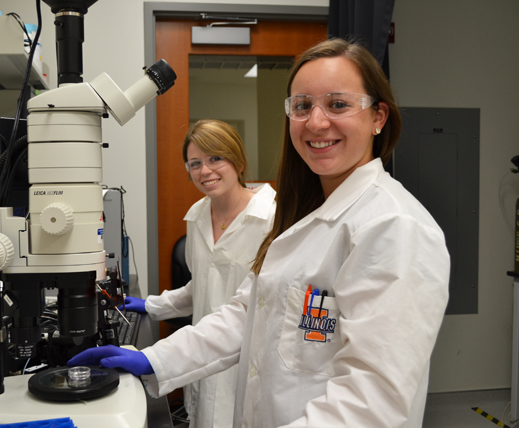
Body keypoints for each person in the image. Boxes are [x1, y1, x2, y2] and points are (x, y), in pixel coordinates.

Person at [69, 39, 450, 428]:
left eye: (338, 104)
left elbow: (370, 405)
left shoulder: (394, 228)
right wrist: (156, 358)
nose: (316, 123)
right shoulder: (301, 217)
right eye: (302, 106)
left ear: (378, 117)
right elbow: (247, 312)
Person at [120, 119, 276, 428]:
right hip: (201, 360)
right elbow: (202, 286)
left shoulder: (272, 218)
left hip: (248, 365)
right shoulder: (197, 217)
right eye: (195, 163)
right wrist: (150, 305)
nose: (205, 171)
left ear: (239, 161)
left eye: (216, 158)